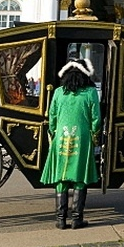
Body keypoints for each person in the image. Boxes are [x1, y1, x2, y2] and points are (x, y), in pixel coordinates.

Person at [41, 58, 101, 230]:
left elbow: (52, 116)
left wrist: (53, 132)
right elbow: (96, 118)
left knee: (61, 176)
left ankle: (60, 219)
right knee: (79, 176)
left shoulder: (59, 92)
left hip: (61, 136)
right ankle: (77, 219)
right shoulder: (90, 93)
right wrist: (95, 134)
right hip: (82, 137)